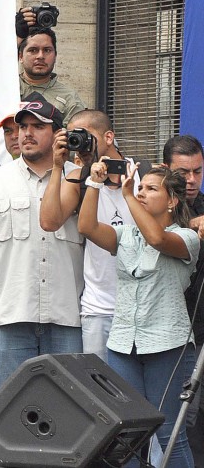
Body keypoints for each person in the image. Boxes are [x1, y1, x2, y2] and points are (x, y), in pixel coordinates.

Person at [78, 163, 199, 468]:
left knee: (170, 434)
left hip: (167, 345)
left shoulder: (187, 237)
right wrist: (94, 183)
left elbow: (158, 240)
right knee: (126, 433)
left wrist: (128, 195)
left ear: (172, 200)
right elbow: (87, 227)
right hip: (123, 343)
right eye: (140, 187)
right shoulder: (125, 235)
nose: (142, 192)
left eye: (151, 189)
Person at [0, 93, 84, 393]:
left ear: (59, 134)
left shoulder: (80, 179)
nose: (26, 133)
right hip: (9, 316)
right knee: (11, 413)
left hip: (68, 316)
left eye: (37, 126)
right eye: (22, 126)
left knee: (68, 413)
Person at [40, 109, 139, 362]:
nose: (80, 144)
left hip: (142, 305)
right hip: (98, 307)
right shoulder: (78, 178)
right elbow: (49, 221)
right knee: (99, 392)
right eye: (74, 137)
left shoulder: (143, 175)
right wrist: (57, 166)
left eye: (86, 136)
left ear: (108, 137)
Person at [163, 135, 204, 464]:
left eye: (198, 172)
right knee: (172, 415)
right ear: (166, 169)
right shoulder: (153, 207)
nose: (191, 181)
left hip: (200, 328)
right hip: (165, 330)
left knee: (195, 416)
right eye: (183, 172)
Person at [15, 21, 86, 126]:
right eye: (33, 50)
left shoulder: (70, 98)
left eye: (47, 50)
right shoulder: (6, 86)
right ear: (20, 56)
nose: (40, 56)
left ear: (55, 56)